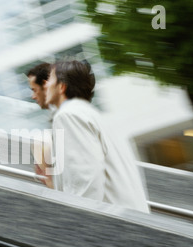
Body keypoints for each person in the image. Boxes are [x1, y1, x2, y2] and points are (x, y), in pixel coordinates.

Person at [41, 60, 150, 213]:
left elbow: (85, 178)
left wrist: (79, 223)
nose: (45, 85)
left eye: (50, 79)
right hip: (133, 218)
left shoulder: (68, 116)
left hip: (111, 225)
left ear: (61, 87)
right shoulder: (96, 116)